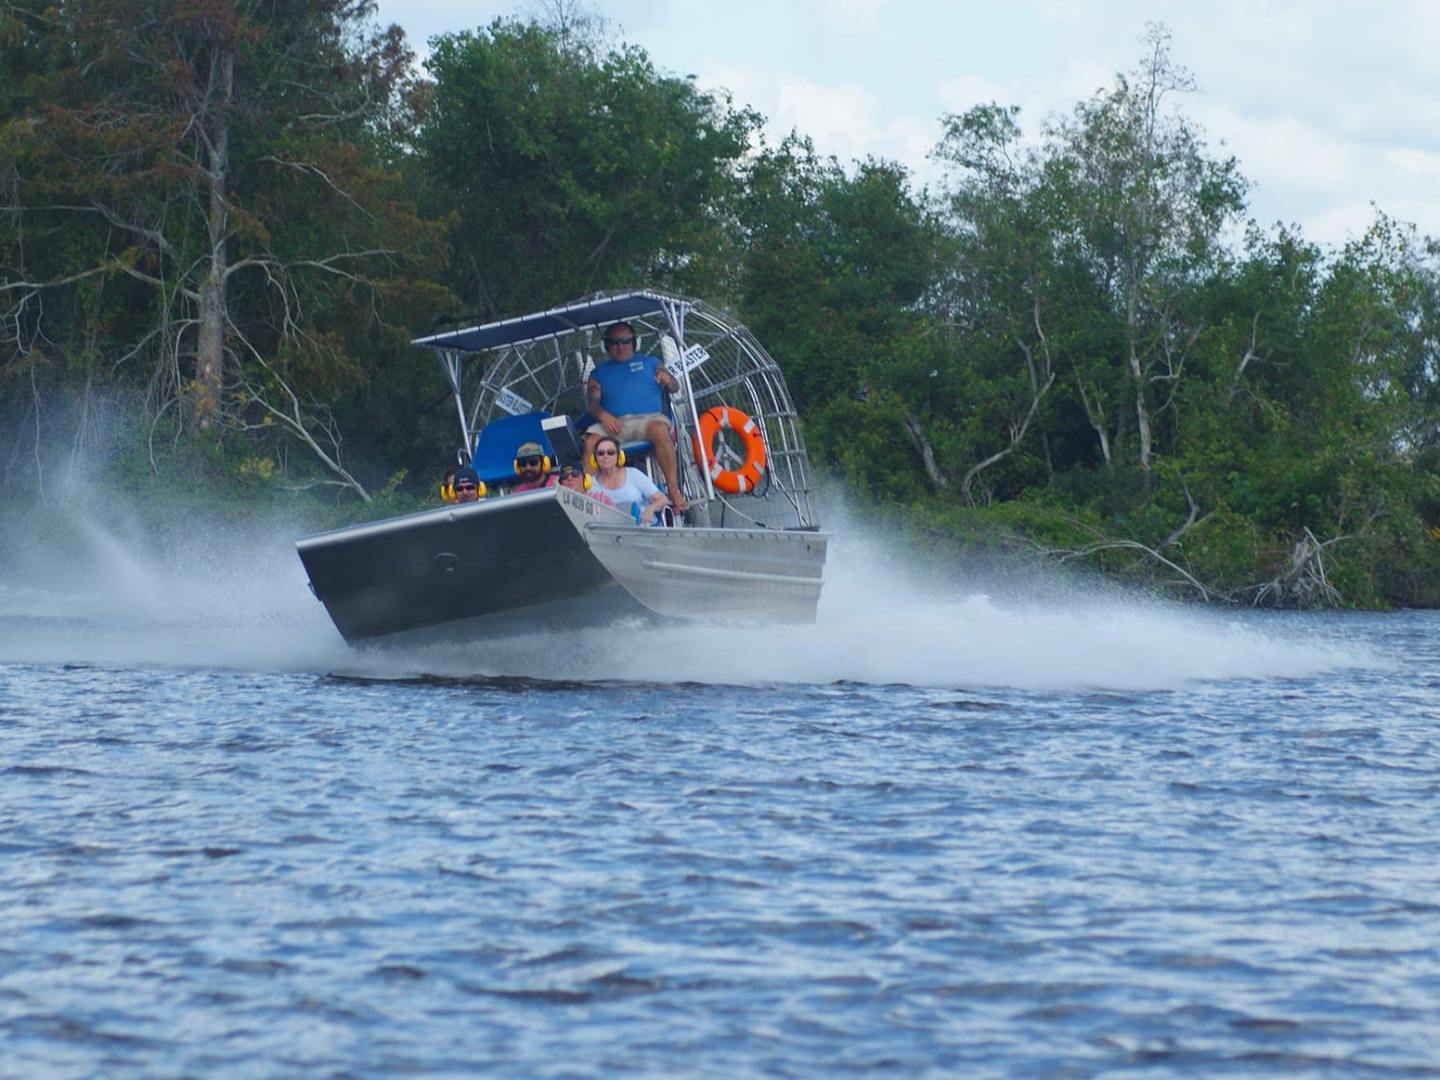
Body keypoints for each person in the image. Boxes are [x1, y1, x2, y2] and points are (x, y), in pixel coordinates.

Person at [583, 321, 689, 512]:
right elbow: (592, 403)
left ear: (635, 342)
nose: (620, 346)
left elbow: (675, 387)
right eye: (614, 342)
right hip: (613, 424)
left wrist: (668, 380)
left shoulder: (652, 363)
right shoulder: (598, 373)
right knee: (591, 441)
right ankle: (590, 496)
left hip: (649, 420)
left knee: (659, 430)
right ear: (606, 346)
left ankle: (673, 489)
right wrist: (604, 415)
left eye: (625, 341)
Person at [589, 434, 669, 524]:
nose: (605, 456)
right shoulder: (589, 483)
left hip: (642, 529)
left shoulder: (633, 474)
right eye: (600, 453)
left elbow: (662, 499)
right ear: (594, 458)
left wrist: (650, 509)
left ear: (619, 456)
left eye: (611, 452)